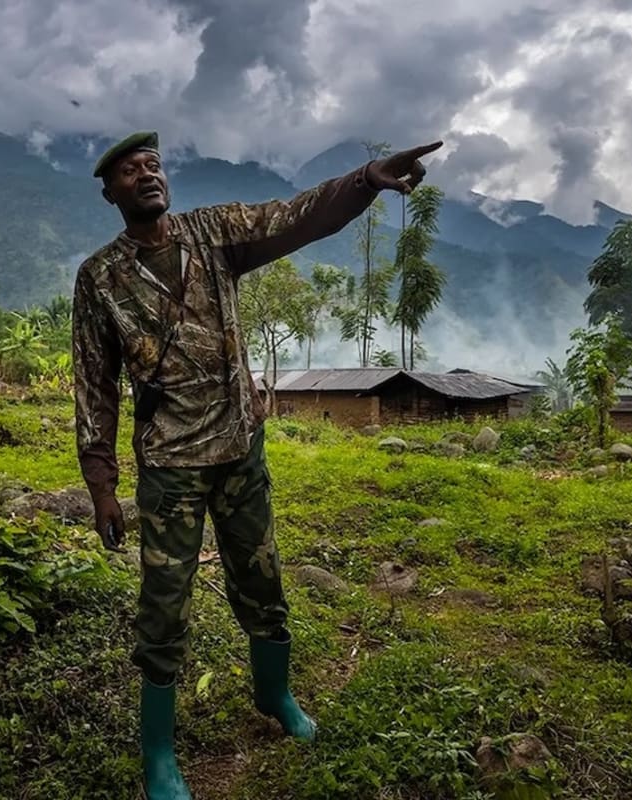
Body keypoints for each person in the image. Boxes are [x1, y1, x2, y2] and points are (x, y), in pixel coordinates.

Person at [72, 131, 442, 798]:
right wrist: (101, 484)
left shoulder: (215, 233)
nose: (146, 175)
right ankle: (159, 751)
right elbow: (93, 383)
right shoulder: (100, 277)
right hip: (170, 465)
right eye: (129, 171)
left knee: (262, 580)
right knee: (163, 605)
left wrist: (365, 180)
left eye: (153, 164)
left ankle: (275, 696)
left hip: (240, 449)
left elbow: (297, 216)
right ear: (109, 192)